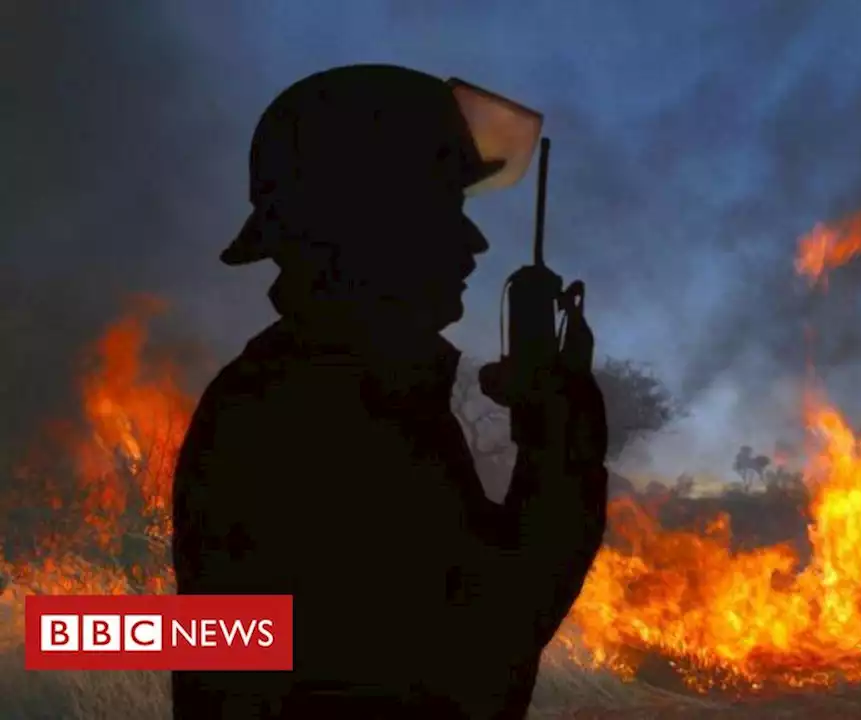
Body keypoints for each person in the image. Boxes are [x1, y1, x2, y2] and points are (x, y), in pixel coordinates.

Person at [170, 64, 609, 719]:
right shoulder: (317, 411)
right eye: (443, 209)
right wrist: (562, 428)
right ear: (366, 223)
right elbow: (484, 646)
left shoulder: (331, 388)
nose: (474, 242)